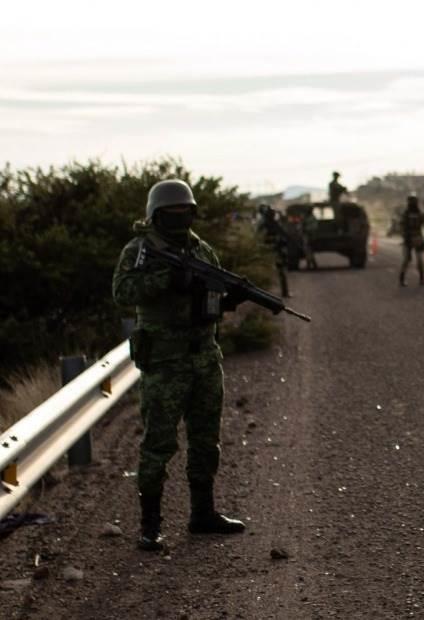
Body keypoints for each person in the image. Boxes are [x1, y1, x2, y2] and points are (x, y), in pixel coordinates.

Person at [112, 179, 250, 552]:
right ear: (155, 215)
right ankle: (150, 525)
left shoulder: (202, 249)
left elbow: (212, 298)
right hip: (164, 362)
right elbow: (122, 291)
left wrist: (228, 300)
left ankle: (203, 513)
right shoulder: (140, 250)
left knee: (206, 441)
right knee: (158, 443)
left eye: (185, 212)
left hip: (204, 357)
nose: (179, 219)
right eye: (172, 214)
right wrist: (167, 280)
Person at [255, 204, 290, 298]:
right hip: (269, 250)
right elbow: (258, 237)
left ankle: (283, 293)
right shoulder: (266, 224)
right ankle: (264, 295)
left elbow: (284, 234)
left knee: (279, 271)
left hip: (273, 250)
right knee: (270, 272)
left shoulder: (270, 223)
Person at [398, 194, 424, 287]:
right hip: (414, 237)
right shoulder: (416, 214)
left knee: (411, 260)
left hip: (413, 238)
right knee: (412, 259)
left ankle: (405, 279)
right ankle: (418, 279)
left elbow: (400, 227)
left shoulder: (407, 214)